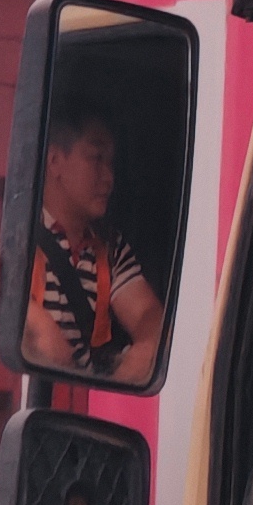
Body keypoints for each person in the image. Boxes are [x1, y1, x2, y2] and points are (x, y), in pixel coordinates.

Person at [22, 99, 166, 378]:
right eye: (96, 159)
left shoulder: (111, 248)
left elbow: (148, 315)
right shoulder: (20, 237)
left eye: (111, 164)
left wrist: (147, 351)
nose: (109, 177)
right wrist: (35, 327)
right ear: (54, 162)